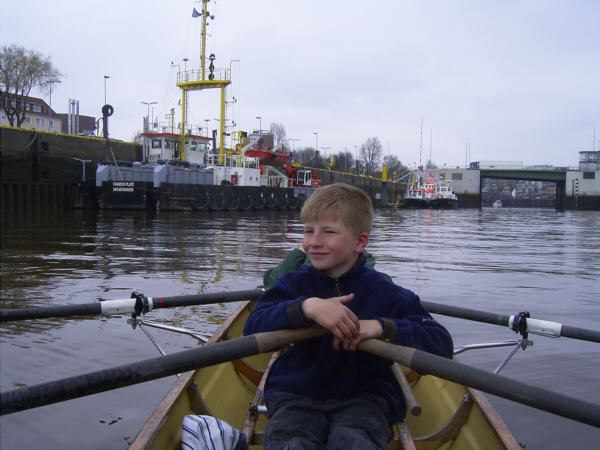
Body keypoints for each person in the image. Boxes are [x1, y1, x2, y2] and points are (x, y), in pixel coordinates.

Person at [243, 183, 453, 449]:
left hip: (364, 396)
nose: (313, 242)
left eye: (328, 232)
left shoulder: (385, 292)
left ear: (360, 242)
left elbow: (441, 344)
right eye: (308, 231)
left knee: (353, 442)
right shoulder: (293, 285)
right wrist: (308, 308)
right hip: (296, 393)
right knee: (293, 443)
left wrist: (381, 327)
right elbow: (252, 327)